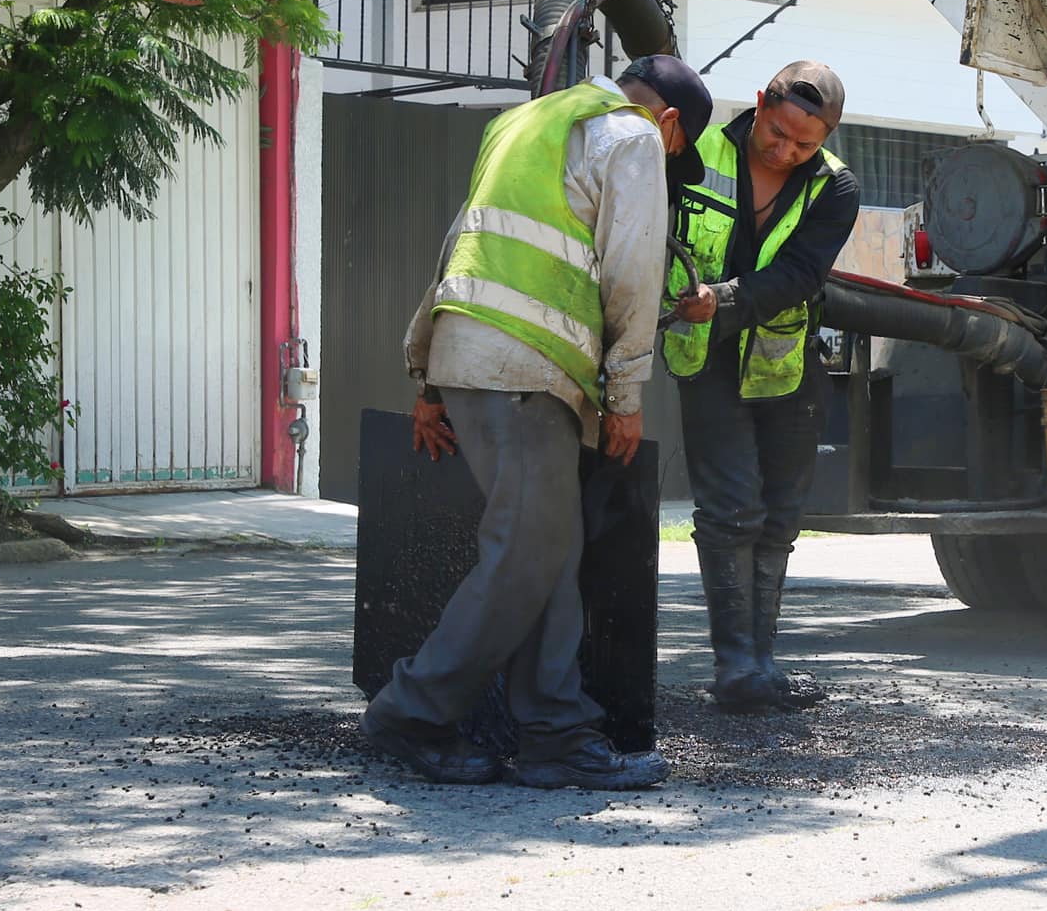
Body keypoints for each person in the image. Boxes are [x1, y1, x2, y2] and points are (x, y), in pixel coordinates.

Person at [365, 54, 717, 788]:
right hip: (527, 367)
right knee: (523, 554)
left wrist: (428, 369)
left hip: (477, 355)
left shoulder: (523, 122)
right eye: (678, 151)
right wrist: (625, 392)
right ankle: (412, 712)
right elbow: (632, 268)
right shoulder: (635, 137)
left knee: (549, 553)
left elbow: (461, 240)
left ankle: (557, 731)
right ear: (672, 123)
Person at [665, 61, 860, 712]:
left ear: (825, 137)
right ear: (759, 104)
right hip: (708, 364)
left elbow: (801, 274)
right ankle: (735, 667)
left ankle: (762, 663)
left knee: (777, 521)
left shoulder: (835, 188)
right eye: (777, 134)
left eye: (804, 144)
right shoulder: (697, 155)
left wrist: (720, 297)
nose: (785, 151)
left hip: (785, 369)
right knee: (730, 513)